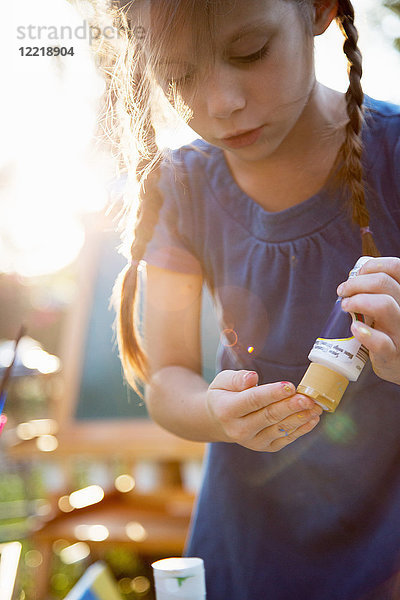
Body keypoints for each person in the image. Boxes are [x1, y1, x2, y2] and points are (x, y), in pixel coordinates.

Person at [107, 0, 400, 598]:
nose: (222, 104)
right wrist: (214, 414)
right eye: (179, 75)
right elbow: (168, 377)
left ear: (319, 11)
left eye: (250, 52)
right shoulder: (184, 187)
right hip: (243, 552)